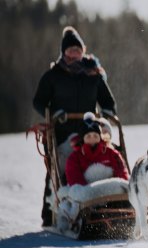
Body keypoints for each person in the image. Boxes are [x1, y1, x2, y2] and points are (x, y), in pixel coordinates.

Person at [32, 26, 117, 226]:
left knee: (97, 164)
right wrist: (53, 114)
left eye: (78, 49)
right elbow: (39, 101)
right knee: (56, 170)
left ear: (83, 51)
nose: (75, 53)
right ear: (64, 52)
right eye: (70, 50)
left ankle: (102, 204)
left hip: (89, 130)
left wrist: (107, 113)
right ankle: (50, 214)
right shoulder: (53, 75)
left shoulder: (93, 74)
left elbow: (107, 101)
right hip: (61, 132)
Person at [65, 113, 129, 186]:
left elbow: (121, 174)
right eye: (88, 136)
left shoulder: (111, 153)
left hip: (111, 192)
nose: (92, 139)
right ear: (82, 139)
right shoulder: (74, 158)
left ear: (100, 137)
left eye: (95, 136)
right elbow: (75, 180)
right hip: (87, 193)